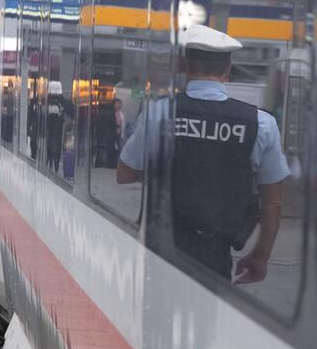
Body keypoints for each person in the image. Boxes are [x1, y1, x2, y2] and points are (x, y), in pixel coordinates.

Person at [117, 21, 289, 283]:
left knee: (156, 320)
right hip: (215, 254)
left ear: (185, 67)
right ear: (227, 70)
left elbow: (125, 174)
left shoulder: (160, 113)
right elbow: (273, 202)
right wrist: (260, 257)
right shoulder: (261, 124)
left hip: (162, 248)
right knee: (206, 320)